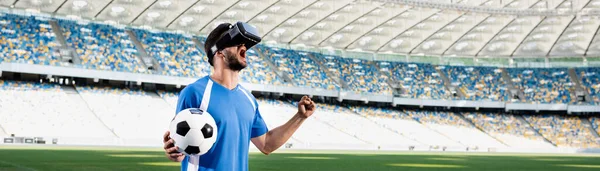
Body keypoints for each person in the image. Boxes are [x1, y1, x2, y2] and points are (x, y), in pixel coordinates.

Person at [162, 22, 316, 171]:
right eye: (236, 43)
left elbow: (266, 144)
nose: (244, 48)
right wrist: (174, 152)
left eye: (245, 45)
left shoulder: (248, 99)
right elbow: (179, 148)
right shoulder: (194, 92)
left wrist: (300, 117)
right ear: (219, 52)